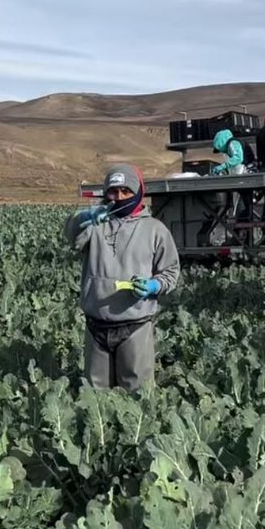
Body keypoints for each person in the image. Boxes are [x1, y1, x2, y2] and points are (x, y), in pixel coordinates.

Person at [65, 163, 180, 390]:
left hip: (135, 325)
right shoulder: (95, 225)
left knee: (137, 394)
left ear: (138, 193)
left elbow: (170, 271)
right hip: (96, 324)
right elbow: (70, 236)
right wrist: (83, 216)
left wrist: (154, 285)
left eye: (126, 191)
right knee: (95, 398)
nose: (119, 197)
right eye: (113, 192)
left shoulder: (155, 229)